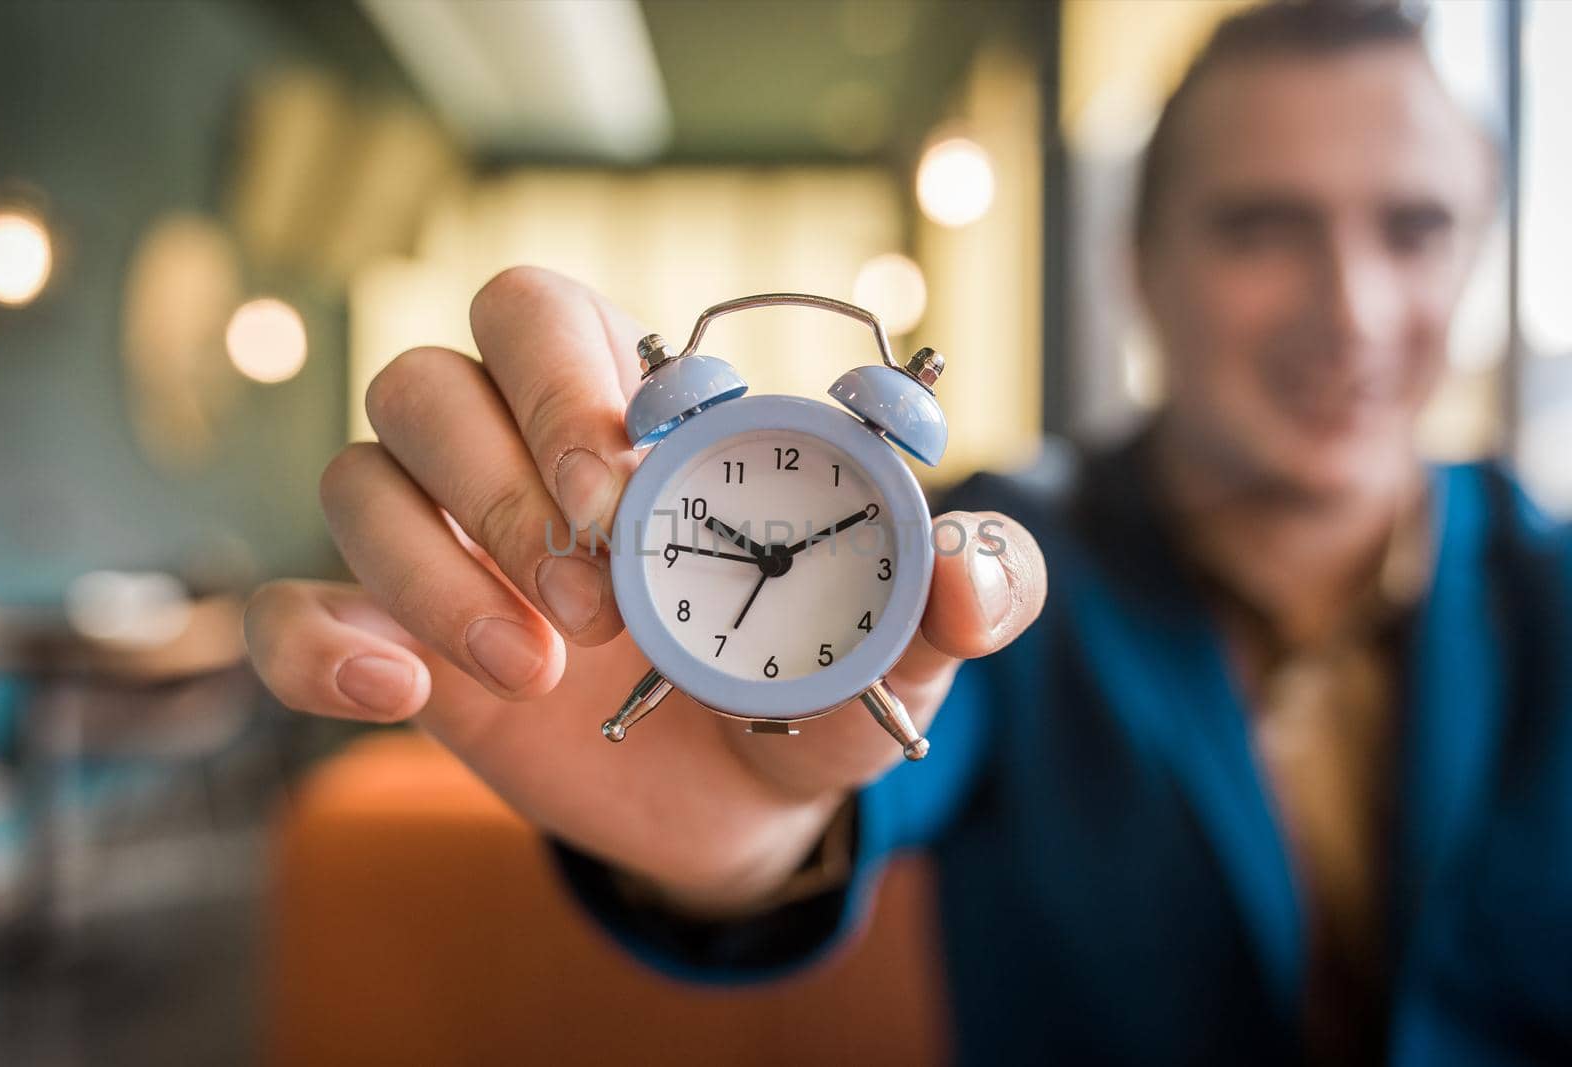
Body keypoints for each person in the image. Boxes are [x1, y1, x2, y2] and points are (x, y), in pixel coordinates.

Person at [243, 3, 1571, 1063]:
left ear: (1474, 261)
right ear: (1141, 264)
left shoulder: (1557, 593)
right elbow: (867, 757)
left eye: (1415, 228)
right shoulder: (979, 554)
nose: (1350, 304)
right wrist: (755, 835)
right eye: (1261, 230)